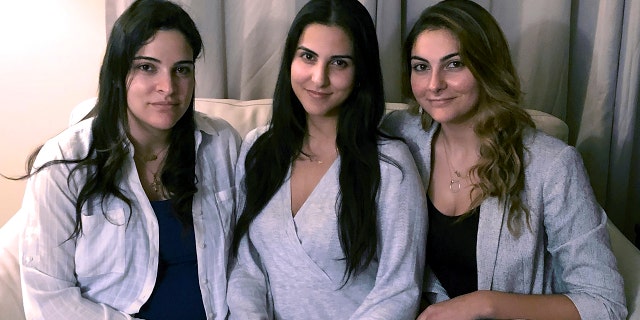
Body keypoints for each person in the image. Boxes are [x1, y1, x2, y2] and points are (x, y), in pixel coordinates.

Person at [381, 0, 627, 319]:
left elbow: (605, 303)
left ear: (487, 67)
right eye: (421, 66)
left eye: (454, 64)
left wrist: (486, 303)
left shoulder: (552, 166)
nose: (434, 84)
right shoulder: (402, 135)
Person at [17, 0, 240, 319]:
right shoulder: (64, 164)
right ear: (118, 73)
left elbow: (248, 258)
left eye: (182, 69)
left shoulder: (222, 144)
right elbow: (48, 298)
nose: (168, 88)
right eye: (147, 67)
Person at [226, 0, 427, 319]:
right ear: (290, 59)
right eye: (308, 57)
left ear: (360, 71)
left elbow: (399, 290)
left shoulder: (390, 164)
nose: (319, 78)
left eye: (339, 63)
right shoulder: (257, 149)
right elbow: (245, 267)